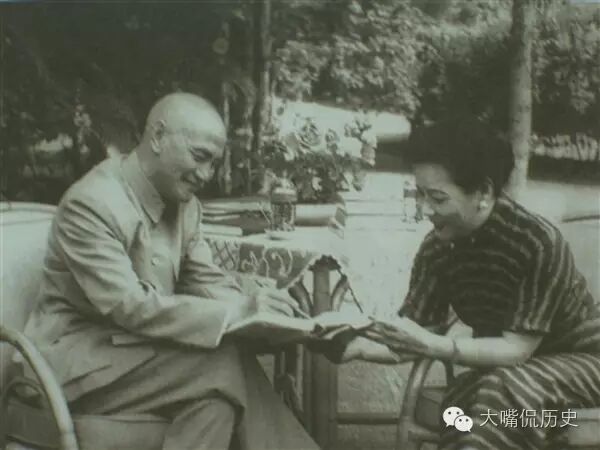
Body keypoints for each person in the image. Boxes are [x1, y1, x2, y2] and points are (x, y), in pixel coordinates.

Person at [20, 92, 319, 450]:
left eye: (214, 163)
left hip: (142, 358)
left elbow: (205, 282)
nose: (206, 174)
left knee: (215, 405)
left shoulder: (186, 206)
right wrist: (238, 312)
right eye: (199, 157)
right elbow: (130, 306)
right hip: (72, 367)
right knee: (223, 364)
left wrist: (266, 313)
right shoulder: (92, 203)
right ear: (158, 137)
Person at [333, 116, 600, 449]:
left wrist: (435, 345)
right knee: (462, 403)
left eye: (437, 198)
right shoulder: (438, 248)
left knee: (501, 391)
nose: (424, 209)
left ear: (484, 192)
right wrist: (351, 342)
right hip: (509, 372)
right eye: (419, 194)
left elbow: (516, 350)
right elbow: (414, 334)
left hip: (584, 361)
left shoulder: (536, 242)